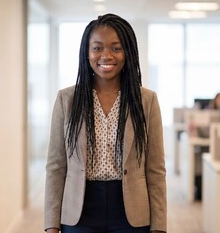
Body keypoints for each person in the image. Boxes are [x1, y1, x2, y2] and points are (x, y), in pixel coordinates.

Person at [44, 14, 166, 233]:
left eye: (116, 48)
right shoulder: (67, 100)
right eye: (97, 48)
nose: (106, 56)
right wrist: (51, 224)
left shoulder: (146, 101)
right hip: (79, 211)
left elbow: (156, 169)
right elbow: (55, 166)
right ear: (86, 52)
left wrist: (159, 227)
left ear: (128, 52)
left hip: (132, 212)